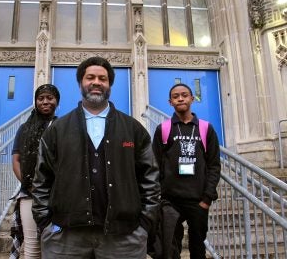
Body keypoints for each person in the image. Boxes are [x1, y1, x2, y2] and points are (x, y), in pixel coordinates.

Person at [31, 56, 161, 259]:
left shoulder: (133, 129)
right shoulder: (57, 129)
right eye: (90, 77)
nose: (96, 82)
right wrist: (46, 224)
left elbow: (150, 179)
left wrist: (144, 224)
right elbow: (41, 180)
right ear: (80, 82)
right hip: (65, 238)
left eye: (103, 78)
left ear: (109, 84)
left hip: (124, 238)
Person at [152, 83, 221, 259]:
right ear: (170, 102)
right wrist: (160, 197)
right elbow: (155, 166)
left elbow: (213, 165)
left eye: (184, 95)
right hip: (170, 201)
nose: (180, 98)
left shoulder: (206, 128)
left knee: (198, 248)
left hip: (198, 201)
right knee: (169, 248)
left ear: (192, 98)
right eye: (176, 96)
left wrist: (207, 198)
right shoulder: (164, 129)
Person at [10, 84, 60, 259]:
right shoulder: (25, 128)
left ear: (57, 101)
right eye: (41, 98)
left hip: (57, 197)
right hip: (29, 195)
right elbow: (16, 160)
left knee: (56, 245)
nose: (45, 101)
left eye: (50, 98)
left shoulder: (63, 126)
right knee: (32, 248)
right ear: (36, 102)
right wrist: (29, 185)